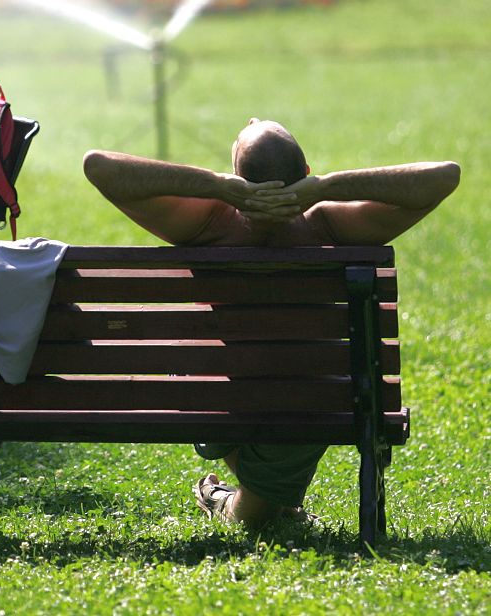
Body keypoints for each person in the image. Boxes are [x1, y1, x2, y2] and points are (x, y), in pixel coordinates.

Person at [82, 118, 460, 528]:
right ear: (306, 175)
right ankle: (248, 501)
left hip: (213, 398)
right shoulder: (329, 225)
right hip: (310, 405)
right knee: (259, 517)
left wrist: (216, 186)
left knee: (256, 515)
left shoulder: (208, 222)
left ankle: (227, 498)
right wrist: (327, 187)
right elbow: (443, 177)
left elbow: (99, 166)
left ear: (238, 179)